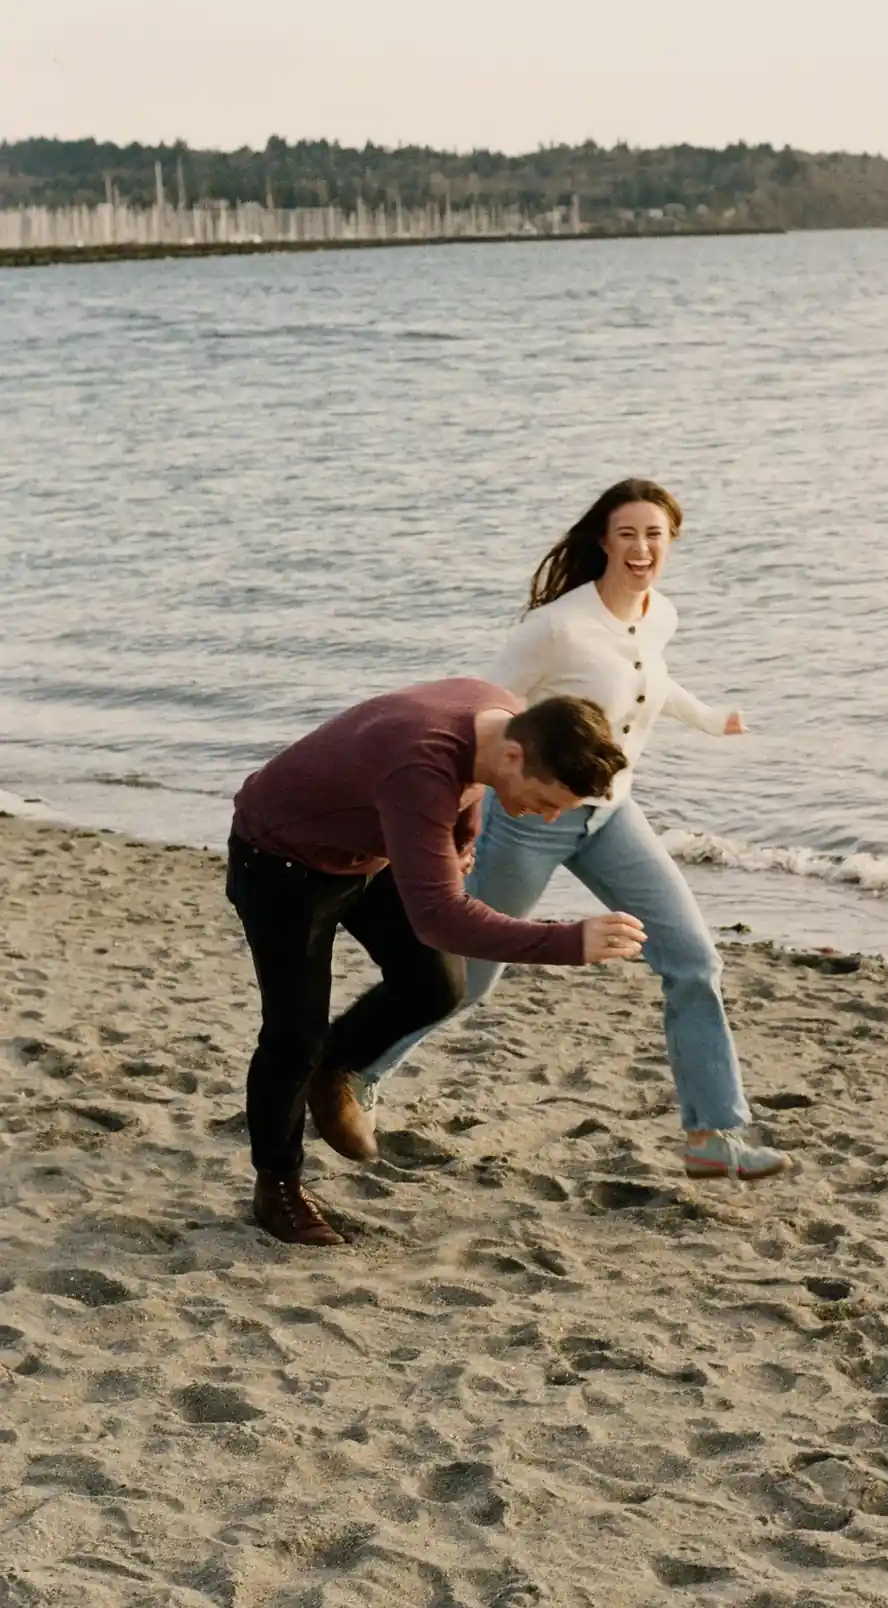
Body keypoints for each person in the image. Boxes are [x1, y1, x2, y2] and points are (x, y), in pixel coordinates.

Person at [317, 479, 793, 1184]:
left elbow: (651, 679)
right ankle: (349, 1075)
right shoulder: (556, 628)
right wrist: (463, 818)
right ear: (603, 540)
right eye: (628, 534)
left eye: (655, 535)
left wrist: (709, 719)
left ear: (672, 542)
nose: (642, 549)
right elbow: (487, 714)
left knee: (693, 957)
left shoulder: (660, 614)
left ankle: (712, 1135)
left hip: (612, 814)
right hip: (526, 819)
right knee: (471, 975)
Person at [226, 680, 640, 1245]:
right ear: (514, 756)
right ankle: (277, 1187)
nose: (546, 819)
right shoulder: (420, 769)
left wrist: (462, 842)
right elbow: (441, 918)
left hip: (371, 849)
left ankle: (335, 1068)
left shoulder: (505, 720)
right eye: (546, 802)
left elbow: (470, 786)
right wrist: (567, 942)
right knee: (294, 1034)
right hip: (281, 860)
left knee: (436, 984)